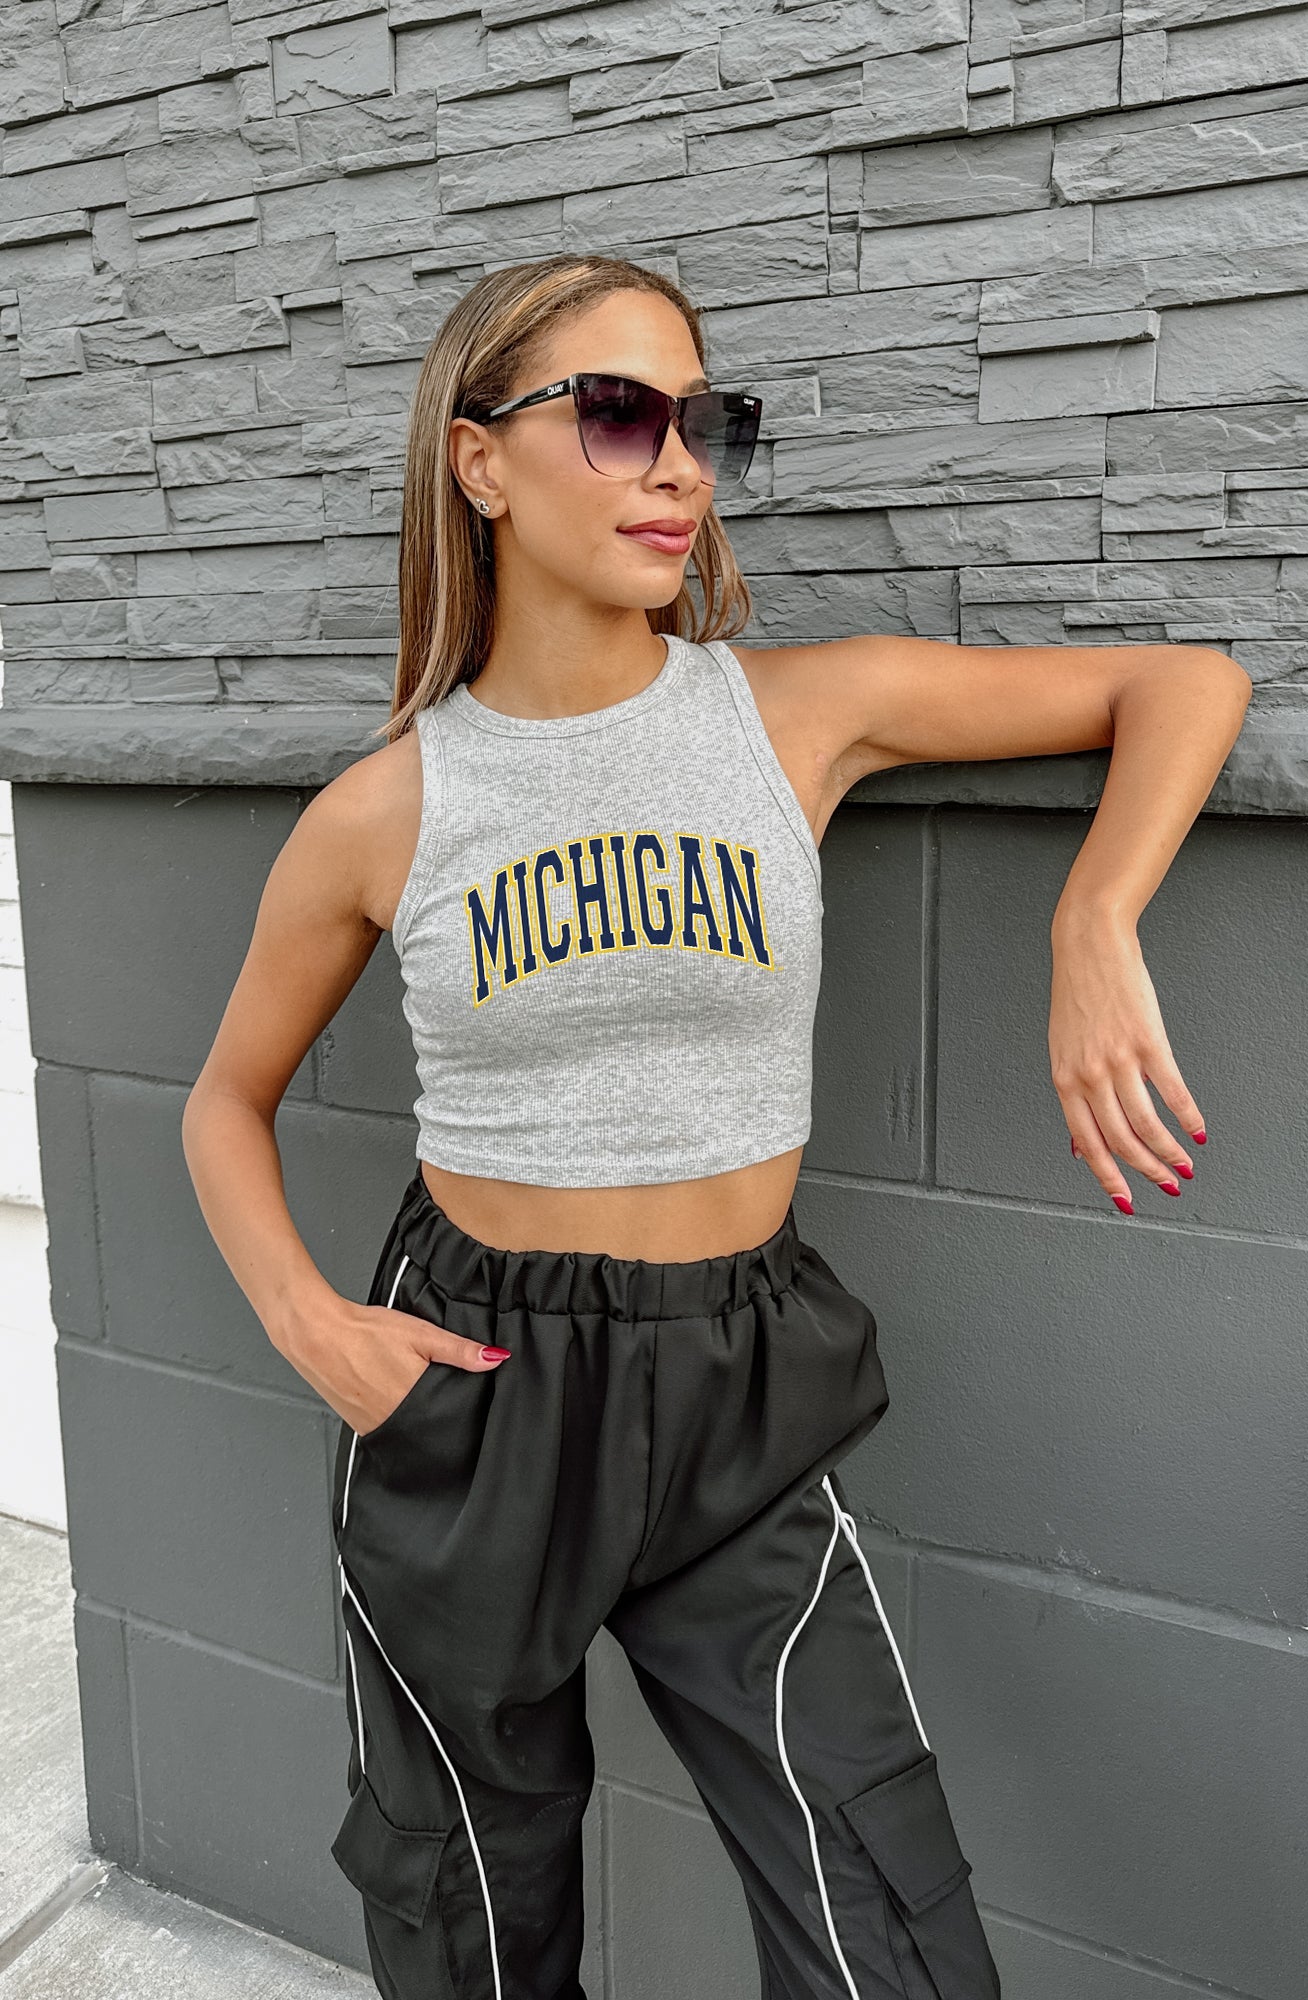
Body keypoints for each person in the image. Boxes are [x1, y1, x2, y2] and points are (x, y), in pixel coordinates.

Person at [181, 251, 1253, 2000]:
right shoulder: (387, 810)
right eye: (618, 416)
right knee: (467, 1915)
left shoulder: (792, 715)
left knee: (884, 1917)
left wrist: (1092, 919)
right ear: (479, 461)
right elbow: (224, 1100)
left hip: (737, 1385)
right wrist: (313, 1326)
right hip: (476, 1392)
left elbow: (1182, 683)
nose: (678, 465)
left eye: (703, 421)